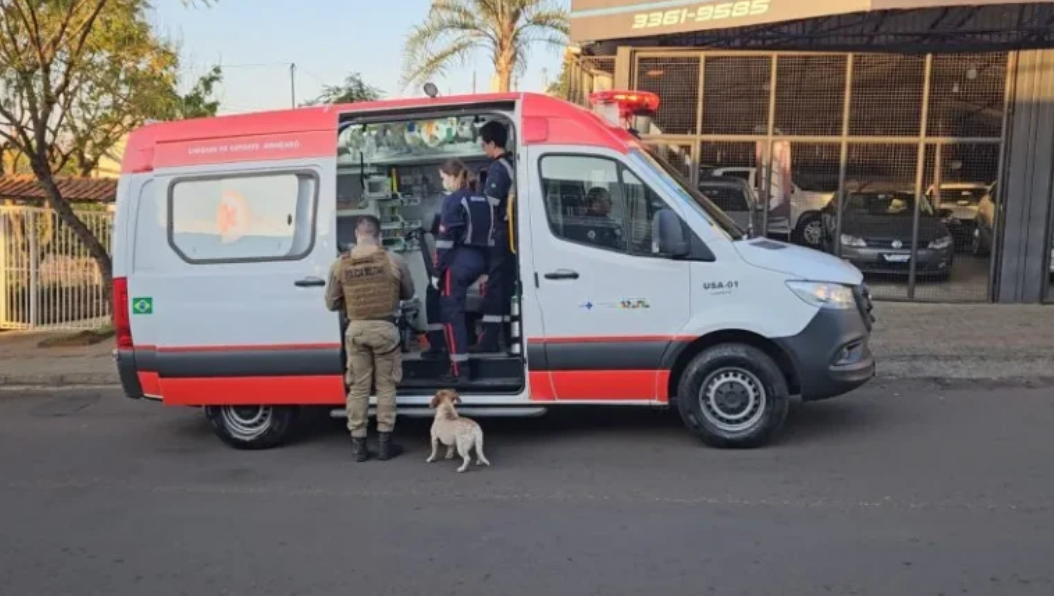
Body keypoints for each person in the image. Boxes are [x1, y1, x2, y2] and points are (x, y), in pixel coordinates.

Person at [325, 215, 414, 462]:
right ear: (380, 235)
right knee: (386, 386)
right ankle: (385, 444)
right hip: (386, 329)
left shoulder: (340, 264)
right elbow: (409, 292)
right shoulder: (393, 259)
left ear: (356, 235)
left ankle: (359, 446)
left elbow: (331, 303)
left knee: (358, 388)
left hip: (356, 330)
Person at [434, 158, 495, 383]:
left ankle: (459, 369)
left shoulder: (453, 200)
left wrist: (436, 271)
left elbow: (444, 241)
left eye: (443, 178)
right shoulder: (482, 199)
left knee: (452, 313)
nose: (444, 182)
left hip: (458, 262)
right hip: (480, 261)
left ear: (452, 176)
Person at [472, 120, 515, 354]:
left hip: (499, 235)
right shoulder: (510, 164)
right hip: (508, 236)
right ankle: (508, 337)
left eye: (483, 144)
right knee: (504, 288)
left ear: (491, 143)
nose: (483, 149)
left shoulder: (499, 168)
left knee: (495, 289)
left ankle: (489, 342)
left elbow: (489, 206)